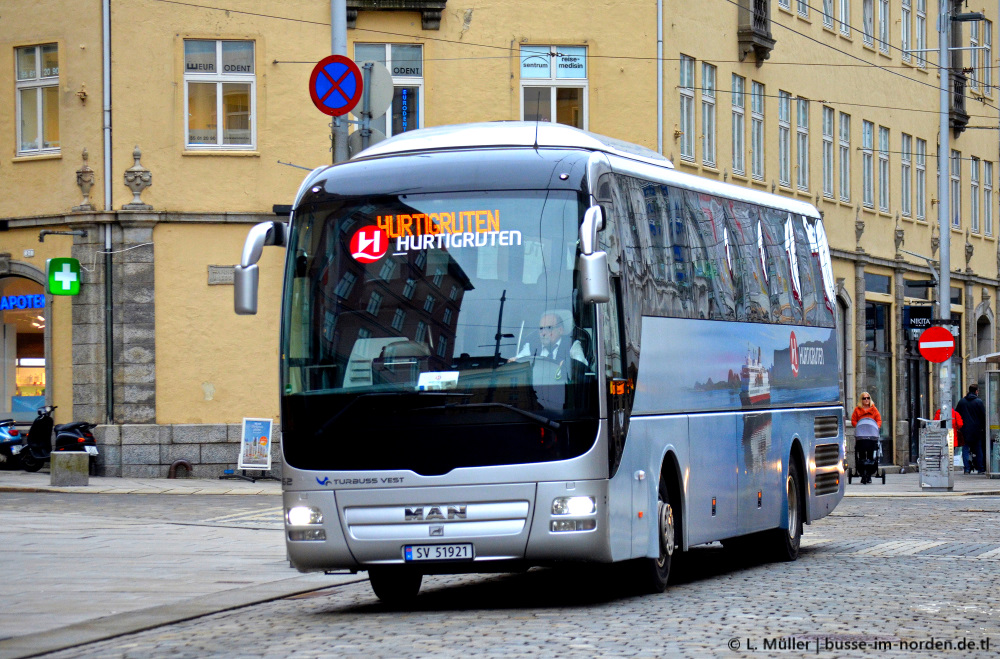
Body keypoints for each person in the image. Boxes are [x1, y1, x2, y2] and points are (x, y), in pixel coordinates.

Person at [513, 310, 588, 369]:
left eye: (549, 328)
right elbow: (519, 360)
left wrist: (569, 364)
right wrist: (514, 362)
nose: (543, 333)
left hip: (563, 385)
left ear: (560, 330)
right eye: (541, 328)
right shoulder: (531, 345)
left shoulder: (572, 344)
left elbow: (581, 366)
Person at [955, 384, 987, 474]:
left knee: (965, 449)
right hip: (977, 430)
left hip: (965, 430)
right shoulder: (979, 402)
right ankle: (980, 468)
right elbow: (983, 416)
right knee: (978, 449)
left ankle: (967, 469)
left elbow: (957, 414)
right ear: (976, 391)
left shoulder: (962, 402)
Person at [851, 392, 882, 484]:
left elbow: (878, 420)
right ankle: (862, 473)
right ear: (861, 400)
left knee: (870, 455)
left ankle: (868, 474)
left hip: (871, 436)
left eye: (868, 398)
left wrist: (876, 427)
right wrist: (859, 427)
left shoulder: (874, 409)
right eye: (864, 398)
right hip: (861, 436)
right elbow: (853, 420)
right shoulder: (857, 410)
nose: (866, 400)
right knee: (861, 455)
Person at [934, 406, 967, 473]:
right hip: (952, 437)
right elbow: (960, 424)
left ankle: (942, 466)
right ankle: (949, 467)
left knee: (942, 452)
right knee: (950, 453)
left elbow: (935, 423)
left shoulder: (939, 412)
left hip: (941, 437)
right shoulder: (955, 413)